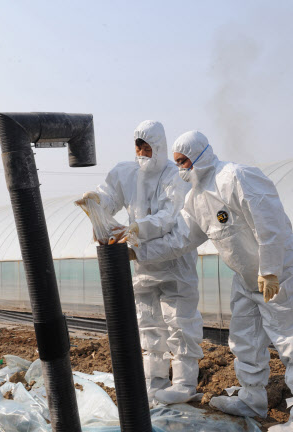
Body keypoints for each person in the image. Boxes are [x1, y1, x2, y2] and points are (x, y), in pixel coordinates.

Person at [131, 130, 293, 432]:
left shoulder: (235, 177)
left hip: (279, 272)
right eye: (178, 163)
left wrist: (272, 270)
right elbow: (181, 239)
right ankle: (252, 400)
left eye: (185, 161)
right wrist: (139, 251)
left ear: (200, 154)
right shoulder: (195, 198)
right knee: (244, 339)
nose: (182, 169)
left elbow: (270, 222)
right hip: (245, 277)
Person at [79, 121, 203, 405]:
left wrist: (137, 229)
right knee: (149, 326)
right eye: (138, 145)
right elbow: (111, 196)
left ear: (159, 146)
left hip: (174, 264)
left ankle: (184, 385)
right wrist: (97, 202)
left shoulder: (176, 176)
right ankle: (154, 383)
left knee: (180, 324)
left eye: (147, 146)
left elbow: (171, 217)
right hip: (143, 265)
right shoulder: (127, 173)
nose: (141, 151)